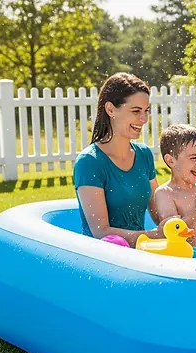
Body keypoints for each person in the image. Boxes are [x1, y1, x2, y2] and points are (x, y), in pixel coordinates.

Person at [73, 72, 164, 247]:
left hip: (139, 253)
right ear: (110, 109)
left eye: (146, 111)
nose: (144, 119)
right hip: (104, 259)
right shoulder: (89, 162)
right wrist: (151, 236)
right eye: (136, 111)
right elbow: (101, 231)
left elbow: (158, 214)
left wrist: (194, 208)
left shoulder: (144, 155)